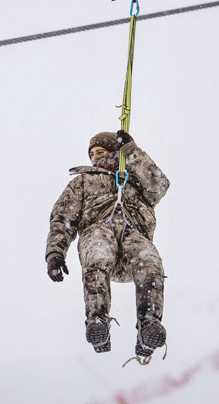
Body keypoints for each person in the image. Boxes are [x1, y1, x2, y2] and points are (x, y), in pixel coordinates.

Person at [46, 130, 170, 359]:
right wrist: (55, 252)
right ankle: (97, 321)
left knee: (149, 259)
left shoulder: (134, 176)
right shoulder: (83, 181)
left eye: (100, 151)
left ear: (114, 151)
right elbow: (62, 218)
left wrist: (132, 152)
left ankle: (149, 325)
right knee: (97, 252)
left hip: (133, 234)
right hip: (99, 230)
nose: (95, 157)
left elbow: (159, 185)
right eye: (91, 153)